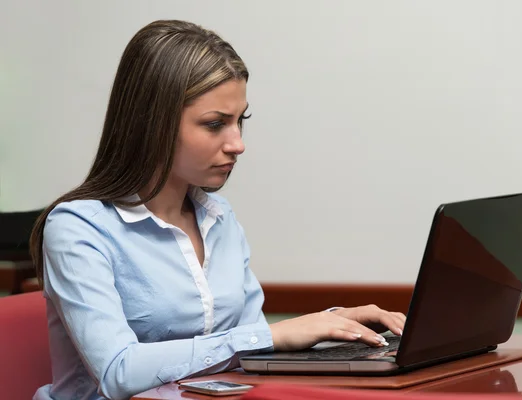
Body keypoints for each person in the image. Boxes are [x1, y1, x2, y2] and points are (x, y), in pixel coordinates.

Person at [29, 20, 406, 400]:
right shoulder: (78, 228)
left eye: (240, 120)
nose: (237, 144)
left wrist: (331, 328)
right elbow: (117, 372)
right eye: (215, 124)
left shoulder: (219, 217)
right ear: (151, 123)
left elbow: (251, 351)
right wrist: (272, 335)